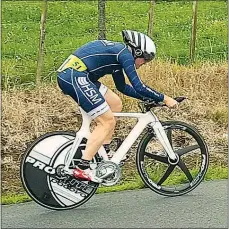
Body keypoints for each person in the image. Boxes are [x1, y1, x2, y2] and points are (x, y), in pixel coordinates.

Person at [57, 30, 178, 183]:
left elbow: (122, 87)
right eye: (144, 60)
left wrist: (149, 98)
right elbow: (139, 86)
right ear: (137, 52)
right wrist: (165, 98)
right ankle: (82, 168)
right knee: (107, 121)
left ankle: (104, 152)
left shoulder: (119, 54)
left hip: (79, 76)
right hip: (76, 77)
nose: (144, 64)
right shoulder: (125, 56)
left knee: (115, 103)